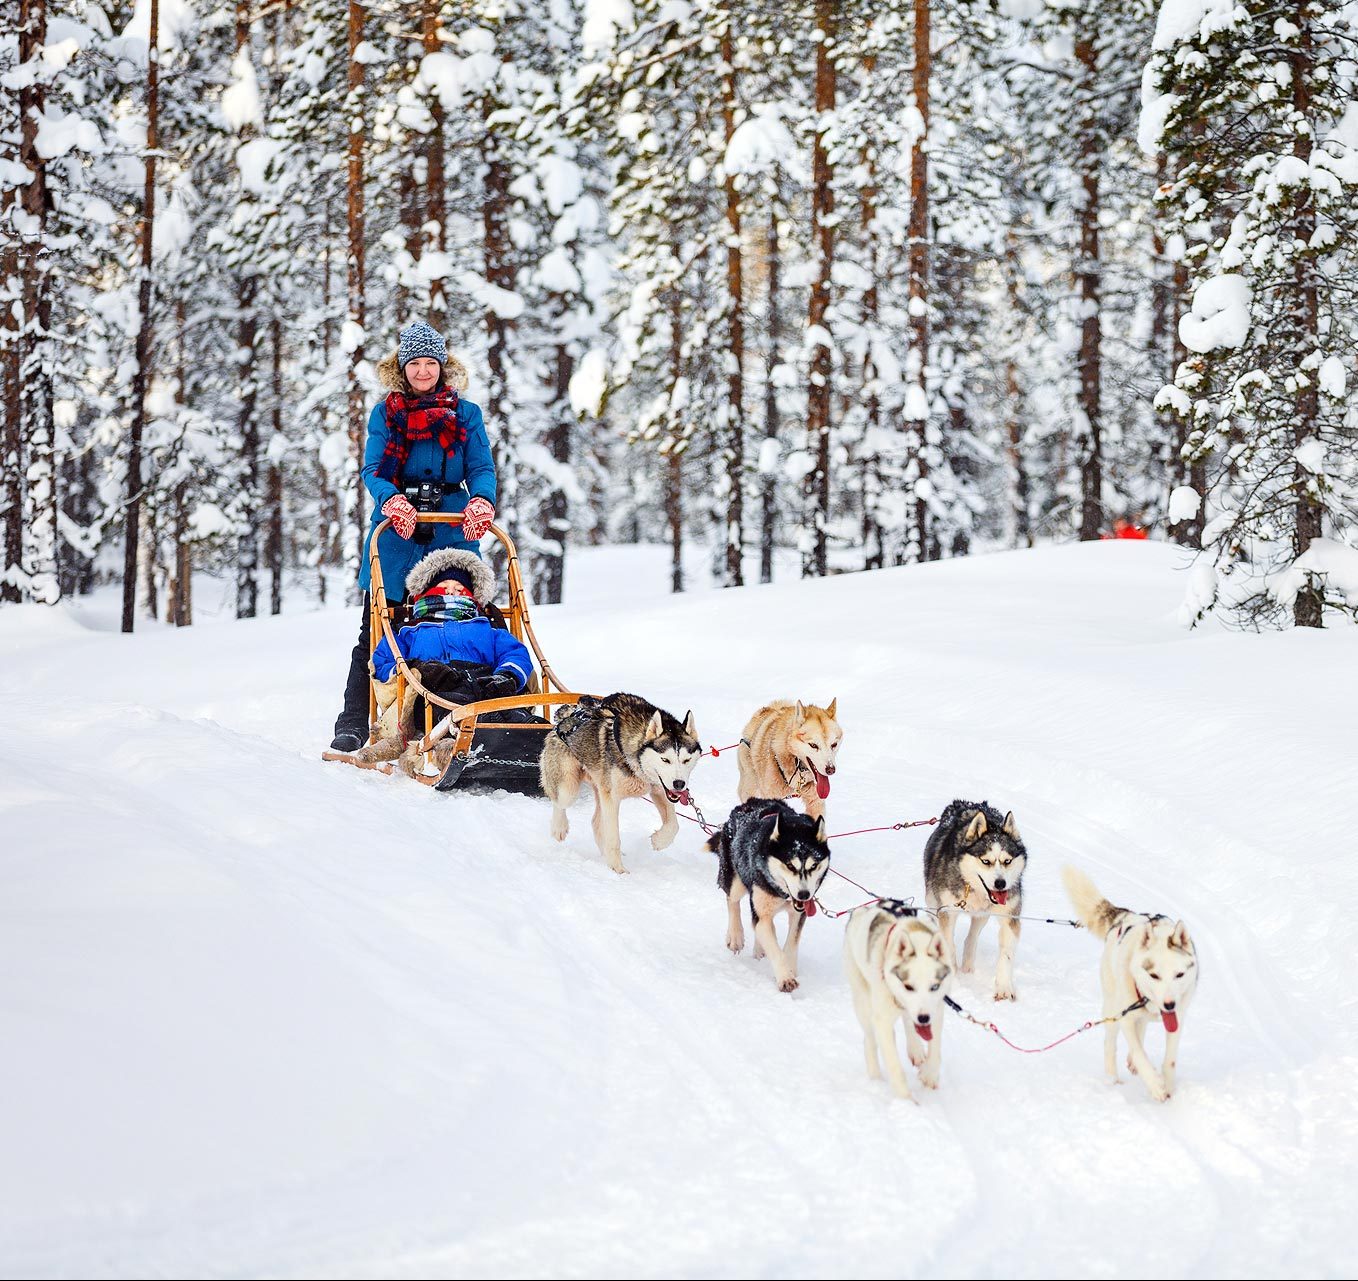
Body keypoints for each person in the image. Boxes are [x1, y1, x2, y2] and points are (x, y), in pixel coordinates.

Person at [330, 321, 498, 753]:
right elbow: (373, 470)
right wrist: (392, 500)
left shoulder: (467, 414)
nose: (423, 371)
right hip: (396, 534)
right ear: (402, 368)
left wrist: (481, 500)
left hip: (452, 529)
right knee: (378, 629)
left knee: (458, 620)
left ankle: (458, 710)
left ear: (443, 367)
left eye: (431, 363)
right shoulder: (385, 413)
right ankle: (354, 720)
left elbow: (481, 468)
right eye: (415, 364)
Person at [370, 548, 531, 698]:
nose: (451, 592)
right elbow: (383, 662)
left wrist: (506, 675)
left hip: (483, 691)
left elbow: (514, 653)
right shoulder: (408, 631)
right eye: (443, 587)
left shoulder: (488, 629)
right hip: (427, 695)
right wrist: (414, 670)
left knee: (518, 719)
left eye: (459, 589)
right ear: (425, 593)